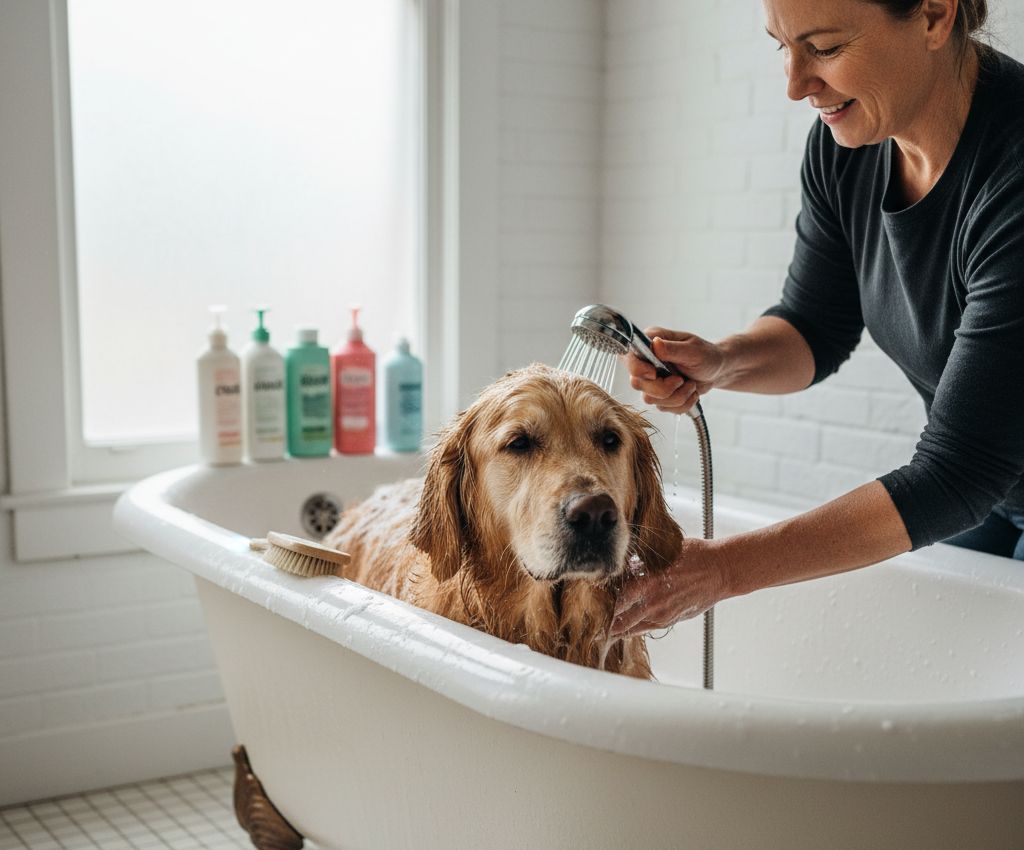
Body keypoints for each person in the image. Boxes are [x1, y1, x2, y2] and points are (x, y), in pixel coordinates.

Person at [611, 0, 1024, 638]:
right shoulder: (848, 151)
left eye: (825, 49)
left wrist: (724, 570)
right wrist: (721, 362)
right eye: (782, 46)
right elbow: (815, 326)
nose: (795, 84)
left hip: (978, 482)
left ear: (936, 16)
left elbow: (957, 473)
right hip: (998, 491)